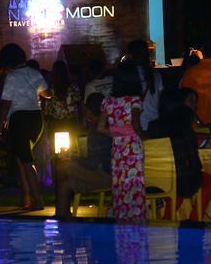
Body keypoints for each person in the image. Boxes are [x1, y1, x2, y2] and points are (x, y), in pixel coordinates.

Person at [0, 43, 51, 210]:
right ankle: (26, 198)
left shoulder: (12, 77)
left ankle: (38, 200)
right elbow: (48, 94)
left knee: (26, 160)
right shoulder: (34, 73)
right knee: (22, 158)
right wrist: (35, 91)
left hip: (19, 119)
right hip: (36, 118)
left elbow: (6, 104)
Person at [54, 91, 113, 219]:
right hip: (113, 173)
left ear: (90, 111)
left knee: (61, 166)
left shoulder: (98, 129)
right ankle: (63, 217)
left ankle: (61, 219)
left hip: (106, 174)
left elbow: (92, 163)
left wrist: (71, 158)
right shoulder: (110, 124)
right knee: (65, 185)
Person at [103, 60, 147, 221]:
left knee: (120, 185)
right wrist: (144, 137)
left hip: (118, 149)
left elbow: (100, 128)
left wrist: (117, 132)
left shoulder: (108, 101)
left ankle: (121, 220)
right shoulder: (134, 100)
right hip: (133, 148)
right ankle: (136, 221)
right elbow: (135, 123)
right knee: (135, 185)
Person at [147, 87, 203, 204]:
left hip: (154, 182)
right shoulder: (185, 128)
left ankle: (168, 214)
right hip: (180, 182)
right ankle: (194, 218)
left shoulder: (153, 126)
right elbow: (194, 161)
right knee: (207, 180)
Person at [127, 39, 164, 131]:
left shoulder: (128, 74)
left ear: (131, 55)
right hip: (154, 122)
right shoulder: (155, 73)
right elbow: (160, 98)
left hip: (137, 125)